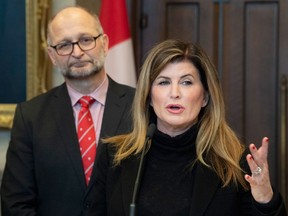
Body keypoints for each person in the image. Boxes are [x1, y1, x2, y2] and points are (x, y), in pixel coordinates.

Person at [92, 39, 287, 216]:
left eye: (186, 82)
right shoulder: (116, 156)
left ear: (205, 98)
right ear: (149, 97)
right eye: (163, 82)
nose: (174, 93)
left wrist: (265, 200)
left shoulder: (236, 163)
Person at [0, 6, 135, 216]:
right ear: (52, 56)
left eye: (86, 40)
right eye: (64, 45)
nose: (77, 52)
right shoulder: (30, 117)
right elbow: (15, 205)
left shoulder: (140, 107)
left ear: (105, 44)